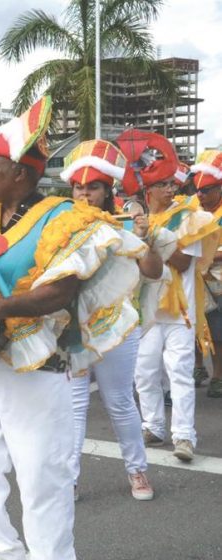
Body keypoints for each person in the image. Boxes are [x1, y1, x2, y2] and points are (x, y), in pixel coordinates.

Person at [0, 97, 139, 560]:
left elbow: (61, 292)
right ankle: (1, 548)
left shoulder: (62, 216)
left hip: (40, 366)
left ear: (20, 171)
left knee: (41, 474)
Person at [63, 139, 167, 501]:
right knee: (73, 407)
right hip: (74, 330)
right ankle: (69, 479)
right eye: (79, 186)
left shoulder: (124, 227)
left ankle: (137, 471)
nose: (84, 193)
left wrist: (144, 239)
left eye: (93, 187)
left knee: (120, 401)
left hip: (119, 327)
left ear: (107, 191)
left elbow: (153, 271)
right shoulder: (60, 228)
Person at [118, 130, 216, 463]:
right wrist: (138, 235)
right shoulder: (134, 220)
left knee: (179, 373)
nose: (171, 189)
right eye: (162, 185)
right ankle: (154, 426)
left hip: (180, 312)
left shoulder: (191, 217)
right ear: (147, 189)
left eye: (172, 184)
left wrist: (154, 236)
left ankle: (184, 436)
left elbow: (183, 261)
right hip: (146, 311)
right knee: (144, 372)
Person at [191, 150, 222, 397]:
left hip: (218, 278)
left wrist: (208, 255)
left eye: (207, 190)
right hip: (193, 276)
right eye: (198, 190)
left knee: (218, 330)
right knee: (192, 326)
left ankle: (218, 377)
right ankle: (198, 367)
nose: (200, 194)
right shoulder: (191, 209)